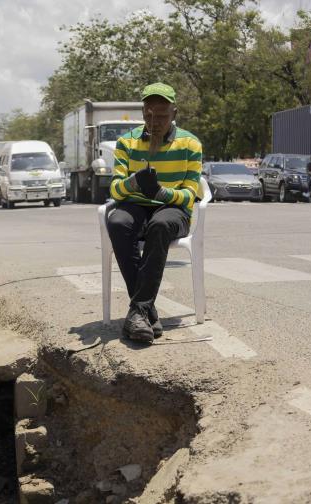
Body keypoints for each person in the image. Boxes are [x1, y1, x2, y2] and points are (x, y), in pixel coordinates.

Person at [107, 82, 203, 344]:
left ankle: (138, 311)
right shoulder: (127, 142)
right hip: (136, 204)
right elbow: (116, 191)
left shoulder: (190, 144)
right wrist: (134, 182)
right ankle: (146, 311)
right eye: (149, 114)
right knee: (117, 222)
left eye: (161, 115)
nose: (155, 121)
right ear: (142, 113)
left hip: (173, 211)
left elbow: (189, 195)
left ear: (174, 113)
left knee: (159, 225)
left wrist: (161, 193)